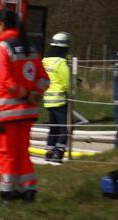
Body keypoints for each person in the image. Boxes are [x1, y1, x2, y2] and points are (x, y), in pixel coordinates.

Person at [0, 6, 44, 204]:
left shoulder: (3, 48)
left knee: (6, 154)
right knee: (21, 152)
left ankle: (7, 194)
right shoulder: (31, 47)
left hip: (6, 113)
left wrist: (26, 94)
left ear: (0, 24)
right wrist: (35, 94)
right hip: (27, 113)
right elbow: (43, 78)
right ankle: (30, 190)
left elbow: (6, 81)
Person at [41, 31, 73, 164]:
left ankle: (49, 151)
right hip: (59, 99)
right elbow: (67, 83)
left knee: (53, 127)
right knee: (63, 128)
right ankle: (58, 153)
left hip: (47, 99)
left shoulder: (44, 61)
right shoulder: (61, 63)